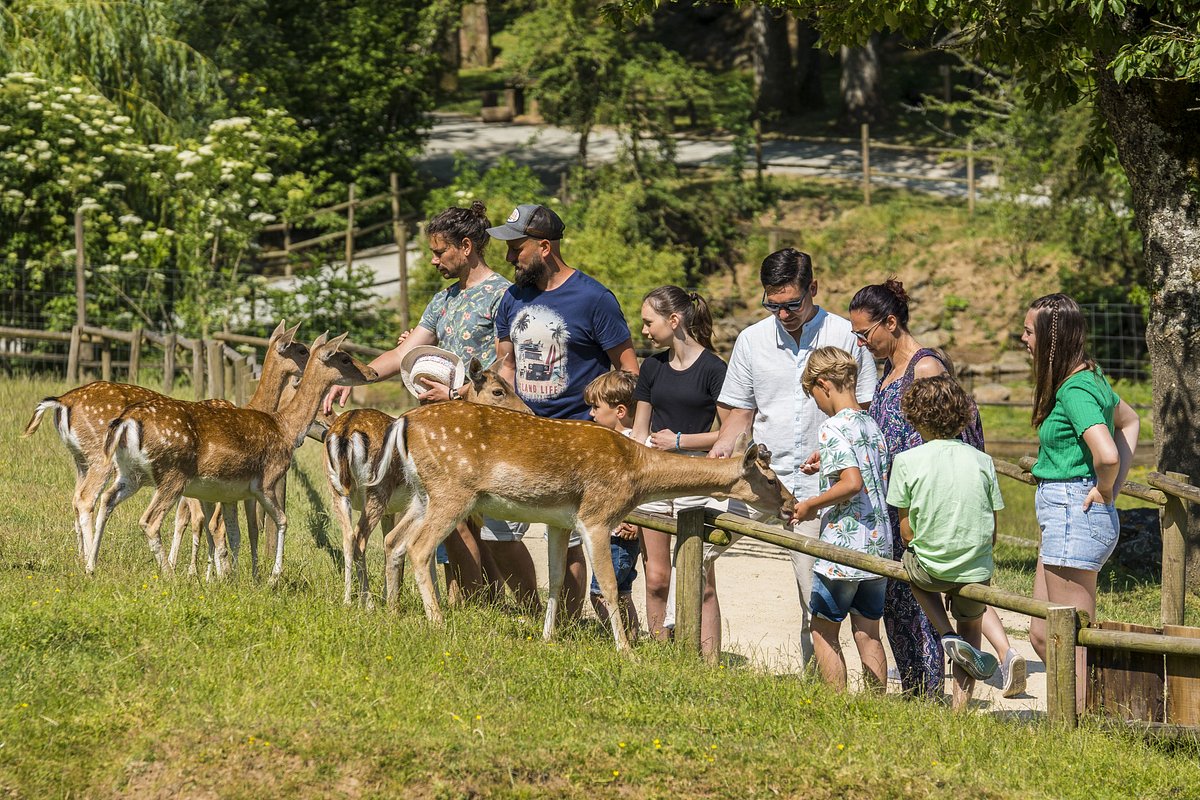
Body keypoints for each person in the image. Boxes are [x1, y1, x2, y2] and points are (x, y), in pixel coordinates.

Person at [323, 202, 539, 609]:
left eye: (441, 252)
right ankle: (478, 611)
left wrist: (457, 393)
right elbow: (405, 350)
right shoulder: (443, 300)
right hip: (444, 433)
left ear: (467, 245)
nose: (435, 260)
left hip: (487, 430)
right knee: (452, 526)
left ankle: (533, 610)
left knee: (498, 533)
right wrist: (355, 377)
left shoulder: (503, 297)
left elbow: (504, 366)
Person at [848, 278, 1026, 698]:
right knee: (900, 606)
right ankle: (917, 689)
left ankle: (937, 690)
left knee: (929, 602)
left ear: (890, 322)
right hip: (896, 503)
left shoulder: (925, 367)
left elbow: (957, 440)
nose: (860, 344)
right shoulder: (887, 370)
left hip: (924, 507)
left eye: (864, 334)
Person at [709, 248, 876, 667]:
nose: (782, 314)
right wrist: (723, 446)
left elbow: (864, 409)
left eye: (791, 304)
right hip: (761, 480)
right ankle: (688, 652)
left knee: (813, 597)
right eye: (773, 304)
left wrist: (835, 450)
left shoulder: (845, 335)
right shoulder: (751, 340)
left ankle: (814, 687)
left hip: (821, 490)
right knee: (697, 549)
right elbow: (738, 415)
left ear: (813, 289)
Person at [490, 203, 640, 617]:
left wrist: (617, 431)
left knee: (570, 534)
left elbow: (628, 371)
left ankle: (568, 623)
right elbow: (506, 364)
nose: (507, 258)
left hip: (578, 437)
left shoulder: (595, 299)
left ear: (543, 247)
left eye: (515, 248)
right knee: (495, 528)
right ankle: (533, 611)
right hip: (519, 435)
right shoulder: (512, 298)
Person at [1022, 293, 1139, 712]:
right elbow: (1130, 420)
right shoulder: (1090, 377)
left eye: (1029, 331)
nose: (1023, 339)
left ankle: (1078, 726)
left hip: (1075, 510)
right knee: (1041, 632)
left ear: (1053, 339)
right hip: (1064, 514)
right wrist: (1113, 486)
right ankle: (1085, 709)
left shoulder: (1075, 389)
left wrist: (1108, 486)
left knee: (1069, 638)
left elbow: (1106, 452)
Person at [887, 374, 1006, 711]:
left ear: (914, 417)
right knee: (972, 627)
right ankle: (960, 706)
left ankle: (944, 631)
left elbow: (907, 532)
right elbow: (993, 528)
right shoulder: (982, 461)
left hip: (929, 570)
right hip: (975, 569)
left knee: (908, 570)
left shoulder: (906, 461)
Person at [629, 286, 728, 654]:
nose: (644, 331)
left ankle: (708, 661)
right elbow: (640, 432)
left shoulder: (715, 369)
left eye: (648, 322)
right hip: (654, 479)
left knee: (700, 579)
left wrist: (682, 441)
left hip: (696, 479)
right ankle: (661, 654)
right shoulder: (652, 367)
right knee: (656, 578)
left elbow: (730, 433)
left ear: (674, 321)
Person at [791, 347, 890, 693]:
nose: (816, 403)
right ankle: (875, 702)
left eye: (813, 395)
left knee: (823, 628)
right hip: (878, 545)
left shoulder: (832, 427)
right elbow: (866, 473)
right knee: (868, 632)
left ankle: (836, 704)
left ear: (823, 385)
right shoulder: (870, 424)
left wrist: (810, 506)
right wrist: (827, 466)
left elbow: (851, 483)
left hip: (842, 549)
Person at [583, 370, 643, 642]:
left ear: (620, 411)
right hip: (615, 532)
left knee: (600, 594)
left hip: (620, 535)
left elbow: (637, 487)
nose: (591, 414)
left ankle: (621, 636)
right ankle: (632, 636)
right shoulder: (611, 442)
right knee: (623, 592)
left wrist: (636, 520)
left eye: (596, 407)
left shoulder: (630, 444)